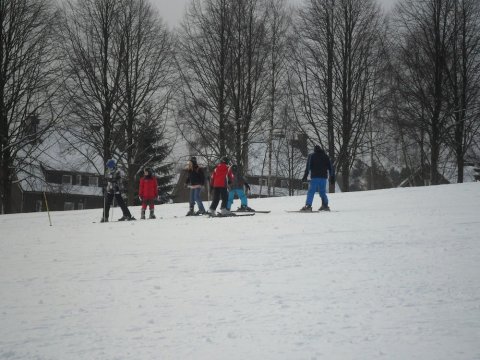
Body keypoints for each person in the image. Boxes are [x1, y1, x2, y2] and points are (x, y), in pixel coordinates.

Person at [300, 145, 335, 211]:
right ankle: (325, 205)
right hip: (323, 178)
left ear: (315, 150)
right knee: (322, 192)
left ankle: (308, 206)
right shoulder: (326, 156)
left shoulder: (312, 156)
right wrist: (332, 177)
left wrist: (305, 176)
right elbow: (331, 167)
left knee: (311, 192)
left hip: (315, 177)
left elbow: (308, 167)